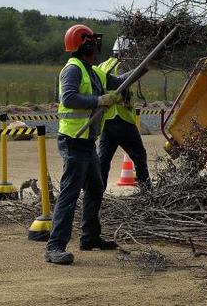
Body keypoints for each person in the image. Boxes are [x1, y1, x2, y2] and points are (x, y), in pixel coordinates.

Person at [44, 25, 127, 265]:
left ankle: (90, 237)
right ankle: (55, 246)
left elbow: (118, 81)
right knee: (70, 194)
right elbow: (68, 98)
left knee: (95, 187)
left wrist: (143, 69)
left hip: (88, 141)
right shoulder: (73, 70)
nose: (97, 48)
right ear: (85, 46)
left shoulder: (95, 72)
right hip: (73, 140)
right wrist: (98, 100)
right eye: (92, 44)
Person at [97, 37, 151, 195]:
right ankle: (148, 195)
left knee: (103, 161)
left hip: (107, 119)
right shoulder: (121, 66)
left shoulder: (102, 65)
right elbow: (122, 83)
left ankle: (96, 196)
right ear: (125, 51)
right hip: (121, 118)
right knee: (140, 156)